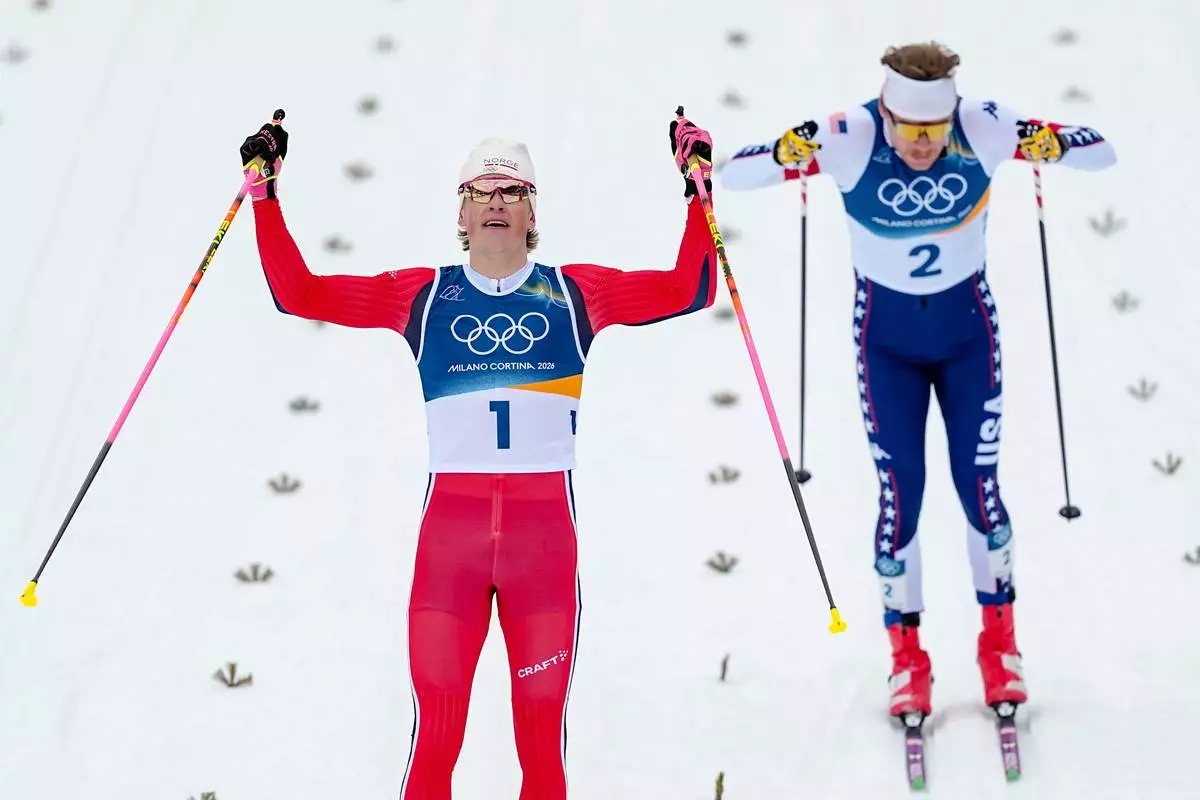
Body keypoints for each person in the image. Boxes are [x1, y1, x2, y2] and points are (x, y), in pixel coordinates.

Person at [238, 112, 717, 798]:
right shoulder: (424, 297)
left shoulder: (577, 293)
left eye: (512, 192)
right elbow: (299, 294)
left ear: (531, 212)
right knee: (436, 736)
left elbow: (689, 288)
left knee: (541, 744)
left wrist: (698, 191)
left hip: (542, 553)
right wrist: (265, 194)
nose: (496, 202)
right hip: (449, 553)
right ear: (461, 212)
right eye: (481, 192)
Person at [720, 41, 1116, 722]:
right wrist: (787, 151)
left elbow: (1100, 149)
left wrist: (1049, 143)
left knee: (979, 490)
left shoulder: (985, 125)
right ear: (887, 112)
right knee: (901, 495)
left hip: (968, 340)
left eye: (935, 130)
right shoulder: (848, 136)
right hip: (887, 349)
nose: (924, 145)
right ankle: (907, 660)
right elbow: (735, 173)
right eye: (910, 130)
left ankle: (1001, 650)